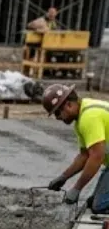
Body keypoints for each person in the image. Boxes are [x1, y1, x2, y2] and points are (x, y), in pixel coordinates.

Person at [44, 83, 109, 212]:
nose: (57, 118)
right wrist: (64, 177)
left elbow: (97, 157)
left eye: (58, 112)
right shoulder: (82, 116)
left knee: (100, 205)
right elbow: (85, 155)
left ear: (69, 104)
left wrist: (77, 188)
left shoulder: (89, 117)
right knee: (93, 202)